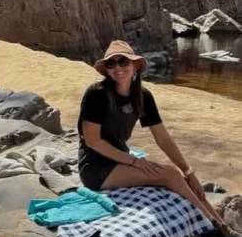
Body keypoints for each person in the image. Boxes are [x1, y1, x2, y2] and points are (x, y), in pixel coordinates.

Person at [78, 40, 222, 226]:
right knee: (170, 174)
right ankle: (212, 226)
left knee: (184, 180)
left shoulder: (142, 96)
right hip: (96, 167)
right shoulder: (97, 94)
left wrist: (190, 172)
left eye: (123, 61)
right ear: (106, 69)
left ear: (135, 65)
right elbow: (92, 141)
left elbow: (162, 139)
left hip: (122, 160)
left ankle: (222, 225)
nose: (117, 68)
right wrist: (136, 162)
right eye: (111, 63)